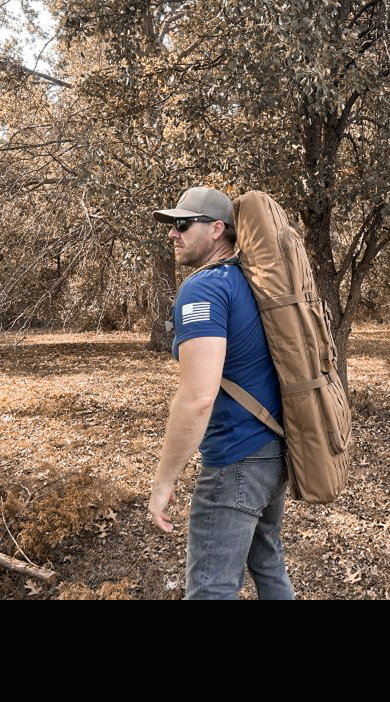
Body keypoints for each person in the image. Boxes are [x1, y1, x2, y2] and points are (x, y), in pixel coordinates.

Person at [148, 187, 295, 600]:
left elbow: (197, 398)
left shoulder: (205, 289)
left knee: (211, 589)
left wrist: (164, 480)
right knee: (268, 564)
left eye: (182, 224)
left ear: (216, 229)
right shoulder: (252, 281)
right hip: (273, 450)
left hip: (235, 459)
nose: (173, 234)